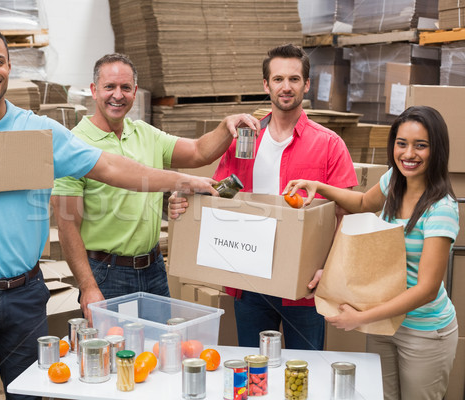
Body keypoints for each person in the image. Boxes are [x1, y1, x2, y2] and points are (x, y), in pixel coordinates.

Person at [0, 26, 218, 400]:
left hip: (25, 295)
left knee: (32, 394)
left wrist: (182, 179)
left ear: (9, 65)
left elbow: (112, 168)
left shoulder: (40, 133)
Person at [169, 44, 358, 350]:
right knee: (255, 371)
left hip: (304, 287)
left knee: (304, 373)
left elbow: (346, 215)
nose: (286, 87)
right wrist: (184, 202)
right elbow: (217, 197)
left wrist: (331, 270)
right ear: (266, 84)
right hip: (251, 283)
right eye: (278, 79)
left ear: (306, 85)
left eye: (294, 79)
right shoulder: (244, 141)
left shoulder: (329, 145)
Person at [51, 53, 259, 323]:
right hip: (106, 273)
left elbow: (198, 152)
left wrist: (226, 125)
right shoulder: (74, 145)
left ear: (135, 92)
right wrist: (88, 287)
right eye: (109, 87)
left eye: (126, 88)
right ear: (93, 90)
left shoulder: (146, 134)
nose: (118, 95)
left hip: (153, 269)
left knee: (160, 356)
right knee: (115, 359)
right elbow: (68, 226)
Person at [284, 105, 459, 400]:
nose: (408, 154)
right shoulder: (394, 181)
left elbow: (427, 289)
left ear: (436, 149)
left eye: (421, 146)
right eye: (402, 144)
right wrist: (318, 186)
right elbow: (364, 202)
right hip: (384, 324)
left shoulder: (441, 209)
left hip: (424, 332)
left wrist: (361, 317)